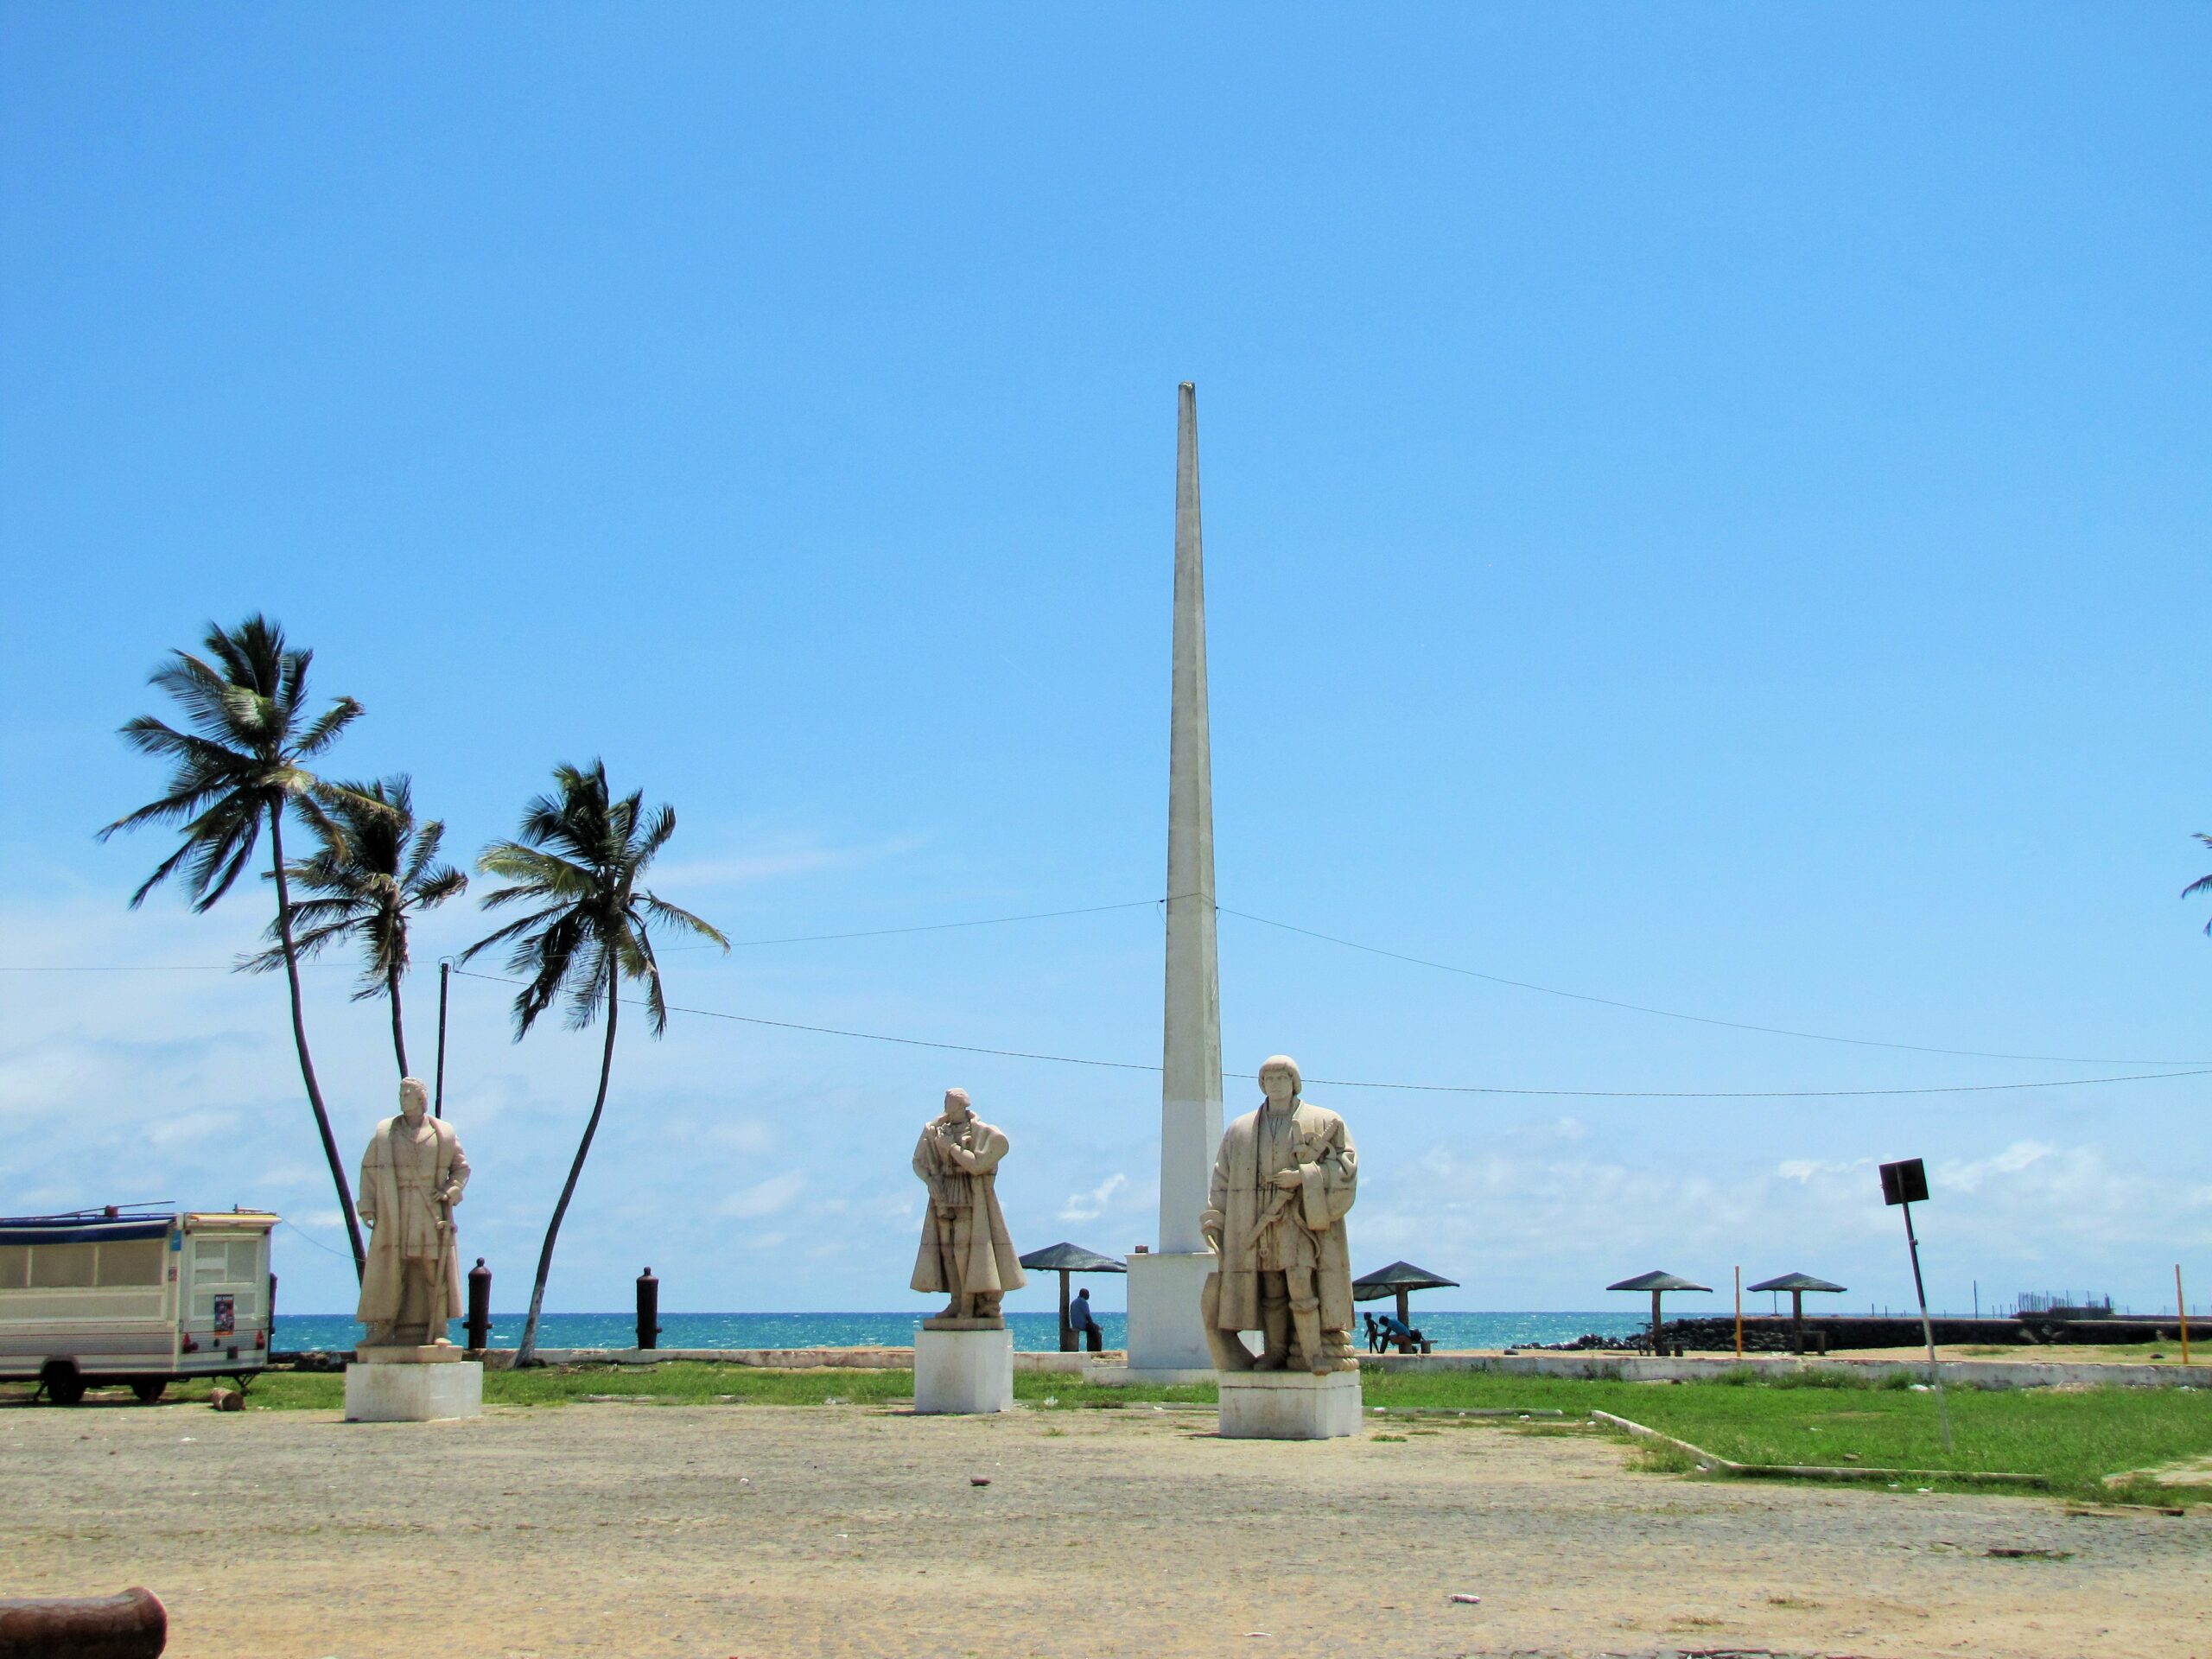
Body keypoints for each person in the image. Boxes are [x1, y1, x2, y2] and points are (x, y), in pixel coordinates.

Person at [1198, 1055, 1359, 1375]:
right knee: (1271, 1287)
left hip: (1296, 1218)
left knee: (1301, 1281)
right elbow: (1222, 1178)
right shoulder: (1240, 1129)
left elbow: (1346, 1166)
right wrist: (1215, 1221)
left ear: (1294, 1082)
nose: (1275, 1084)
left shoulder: (1325, 1120)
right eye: (1268, 1079)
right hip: (1255, 1219)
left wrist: (1302, 1177)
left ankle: (1314, 1354)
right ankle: (1276, 1352)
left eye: (1281, 1078)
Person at [355, 1077, 470, 1349]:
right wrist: (368, 1206)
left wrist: (449, 1192)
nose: (402, 1097)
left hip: (428, 1210)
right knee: (394, 1269)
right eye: (401, 1093)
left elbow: (461, 1169)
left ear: (421, 1099)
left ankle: (438, 1328)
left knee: (433, 1269)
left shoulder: (443, 1133)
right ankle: (385, 1328)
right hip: (396, 1208)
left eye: (408, 1093)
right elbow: (369, 1170)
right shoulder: (386, 1133)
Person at [909, 1088, 1026, 1322]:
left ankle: (968, 1304)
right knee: (947, 1250)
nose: (946, 1105)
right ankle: (956, 1301)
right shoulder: (935, 1129)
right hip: (943, 1194)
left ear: (961, 1105)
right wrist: (930, 1180)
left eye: (950, 1102)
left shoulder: (982, 1132)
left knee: (965, 1250)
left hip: (969, 1197)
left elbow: (977, 1165)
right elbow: (917, 1161)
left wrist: (951, 1147)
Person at [1070, 1287, 1103, 1352]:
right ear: (1084, 1294)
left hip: (1075, 1324)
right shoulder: (1083, 1302)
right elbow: (1087, 1316)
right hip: (1082, 1325)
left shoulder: (1074, 1302)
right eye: (1088, 1294)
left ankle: (1091, 1349)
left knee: (1091, 1331)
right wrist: (1095, 1326)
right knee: (1098, 1332)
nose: (1089, 1296)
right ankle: (1097, 1351)